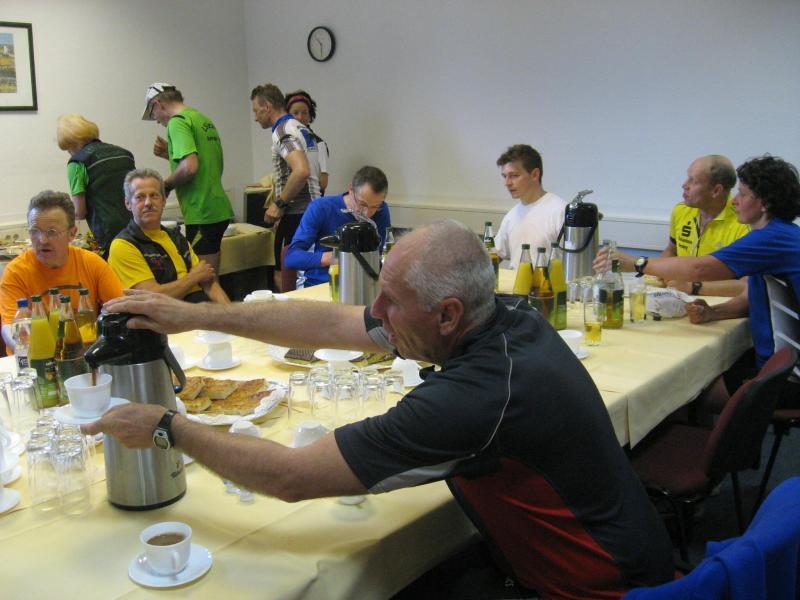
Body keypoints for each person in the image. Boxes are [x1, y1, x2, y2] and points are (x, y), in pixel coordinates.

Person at [85, 220, 674, 598]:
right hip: (618, 551)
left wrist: (167, 427)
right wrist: (193, 315)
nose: (375, 313)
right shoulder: (504, 313)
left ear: (446, 314)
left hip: (600, 588)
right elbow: (333, 323)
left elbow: (291, 477)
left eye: (391, 301)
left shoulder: (475, 398)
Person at [629, 155, 800, 387]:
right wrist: (713, 313)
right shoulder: (783, 234)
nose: (734, 201)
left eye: (743, 194)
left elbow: (700, 268)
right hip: (773, 365)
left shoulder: (772, 238)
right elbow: (750, 296)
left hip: (785, 377)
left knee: (684, 390)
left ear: (764, 203)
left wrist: (637, 263)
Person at [597, 155, 749, 296]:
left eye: (693, 181)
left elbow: (746, 286)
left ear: (716, 190)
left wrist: (693, 287)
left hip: (718, 300)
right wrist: (662, 274)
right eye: (687, 177)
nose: (684, 185)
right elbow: (671, 250)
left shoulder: (744, 225)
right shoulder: (681, 211)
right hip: (679, 295)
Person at [0, 191, 124, 353]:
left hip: (84, 353)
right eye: (35, 231)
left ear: (72, 233)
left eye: (52, 232)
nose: (42, 240)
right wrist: (28, 350)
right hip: (35, 358)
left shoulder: (92, 263)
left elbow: (121, 311)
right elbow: (9, 327)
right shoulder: (16, 271)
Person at [142, 82, 233, 275]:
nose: (156, 120)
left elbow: (190, 167)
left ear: (157, 104)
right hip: (217, 206)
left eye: (152, 113)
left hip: (201, 210)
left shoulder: (177, 122)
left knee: (204, 280)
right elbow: (204, 163)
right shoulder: (200, 119)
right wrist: (169, 154)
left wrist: (164, 186)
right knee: (210, 277)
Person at [108, 169, 229, 304]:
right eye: (140, 197)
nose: (148, 203)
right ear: (128, 204)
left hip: (200, 307)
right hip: (166, 314)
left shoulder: (176, 238)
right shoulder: (123, 245)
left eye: (154, 195)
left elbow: (208, 283)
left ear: (164, 201)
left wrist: (230, 312)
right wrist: (193, 277)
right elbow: (151, 299)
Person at [250, 83, 321, 290]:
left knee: (286, 277)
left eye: (256, 111)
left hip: (298, 213)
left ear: (267, 106)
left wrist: (278, 204)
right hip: (310, 210)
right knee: (302, 276)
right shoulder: (300, 127)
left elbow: (301, 170)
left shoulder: (282, 131)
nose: (255, 117)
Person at [284, 166, 390, 288]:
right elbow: (291, 257)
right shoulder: (321, 207)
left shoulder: (382, 210)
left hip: (364, 283)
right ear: (351, 189)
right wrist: (334, 258)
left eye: (375, 206)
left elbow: (381, 253)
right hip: (323, 283)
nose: (367, 213)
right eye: (362, 204)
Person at [56, 114, 136, 258]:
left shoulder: (77, 163)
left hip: (109, 231)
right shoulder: (124, 154)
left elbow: (80, 212)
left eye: (67, 148)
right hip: (136, 224)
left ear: (72, 143)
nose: (69, 153)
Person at [495, 144, 567, 269]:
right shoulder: (511, 216)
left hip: (548, 282)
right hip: (516, 281)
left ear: (535, 174)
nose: (507, 183)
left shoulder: (560, 211)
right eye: (504, 176)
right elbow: (496, 254)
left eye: (514, 176)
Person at [285, 89, 330, 194]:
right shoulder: (285, 141)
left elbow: (323, 183)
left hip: (310, 201)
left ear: (310, 116)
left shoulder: (319, 144)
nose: (300, 117)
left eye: (304, 113)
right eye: (295, 113)